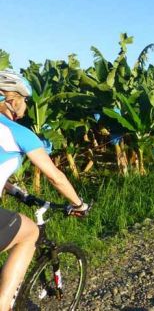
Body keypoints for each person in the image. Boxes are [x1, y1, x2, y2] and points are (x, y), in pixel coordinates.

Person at [0, 71, 90, 311]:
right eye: (25, 100)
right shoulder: (17, 133)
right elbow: (55, 177)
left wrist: (13, 190)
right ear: (11, 100)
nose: (26, 106)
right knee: (29, 232)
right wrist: (79, 204)